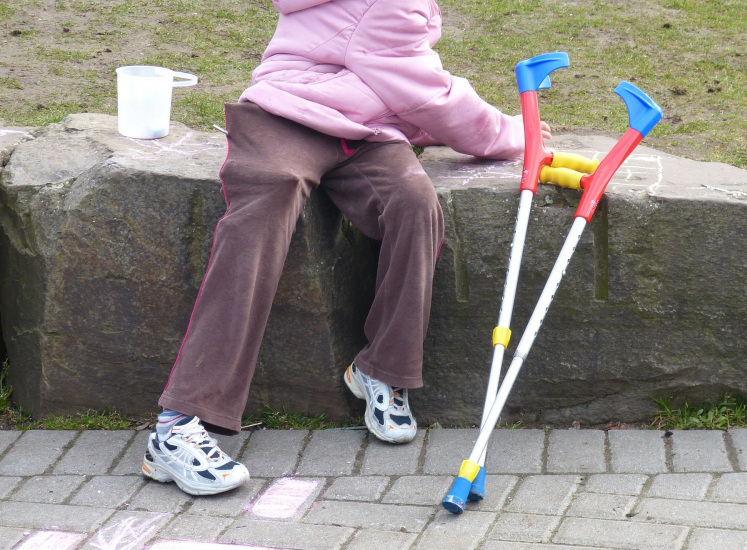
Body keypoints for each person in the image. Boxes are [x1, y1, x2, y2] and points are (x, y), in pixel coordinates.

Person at [140, 0, 551, 496]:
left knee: (415, 204)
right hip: (284, 114)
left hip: (364, 129)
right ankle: (179, 423)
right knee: (267, 201)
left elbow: (400, 77)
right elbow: (431, 96)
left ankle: (382, 368)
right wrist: (514, 133)